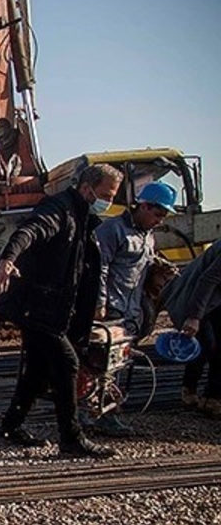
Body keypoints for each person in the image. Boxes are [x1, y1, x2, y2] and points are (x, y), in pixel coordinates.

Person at [0, 163, 123, 459]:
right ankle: (71, 438)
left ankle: (11, 426)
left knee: (36, 371)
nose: (110, 201)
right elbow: (31, 230)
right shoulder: (59, 208)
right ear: (87, 189)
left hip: (48, 308)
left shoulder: (83, 215)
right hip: (36, 307)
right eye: (106, 194)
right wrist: (8, 259)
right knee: (67, 364)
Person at [87, 181, 176, 435]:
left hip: (130, 310)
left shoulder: (147, 235)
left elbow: (140, 267)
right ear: (144, 206)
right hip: (110, 309)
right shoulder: (112, 230)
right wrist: (99, 303)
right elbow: (99, 267)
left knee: (116, 366)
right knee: (98, 364)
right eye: (157, 214)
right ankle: (93, 414)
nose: (159, 221)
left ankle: (102, 412)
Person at [159, 243, 221, 417]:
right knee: (206, 344)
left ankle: (212, 398)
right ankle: (190, 390)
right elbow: (208, 280)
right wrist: (194, 317)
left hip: (216, 300)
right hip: (197, 297)